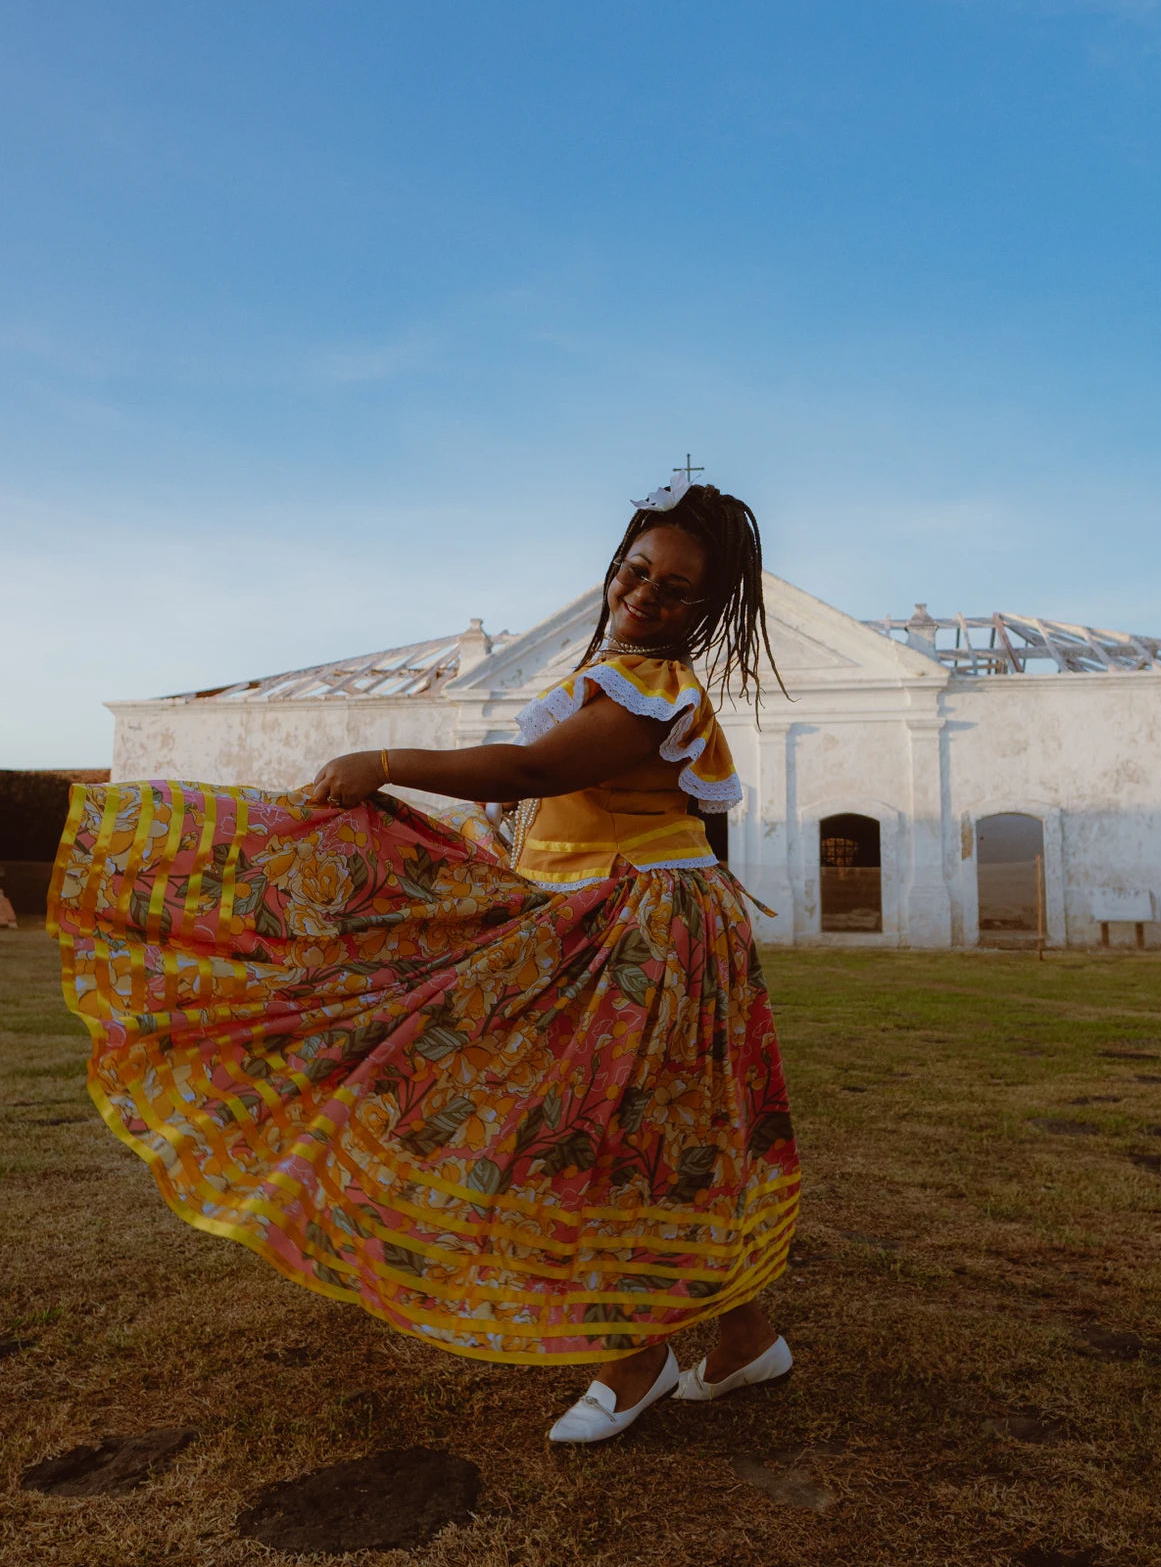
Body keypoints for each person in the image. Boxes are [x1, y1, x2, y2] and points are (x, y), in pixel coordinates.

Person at [48, 477, 800, 1444]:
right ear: (614, 567)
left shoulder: (654, 688)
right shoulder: (613, 679)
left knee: (597, 1135)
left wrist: (388, 761)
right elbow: (556, 794)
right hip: (609, 914)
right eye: (637, 569)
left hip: (646, 930)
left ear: (706, 610)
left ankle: (637, 1356)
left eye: (678, 589)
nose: (646, 593)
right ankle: (743, 1337)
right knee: (659, 1132)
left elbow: (535, 771)